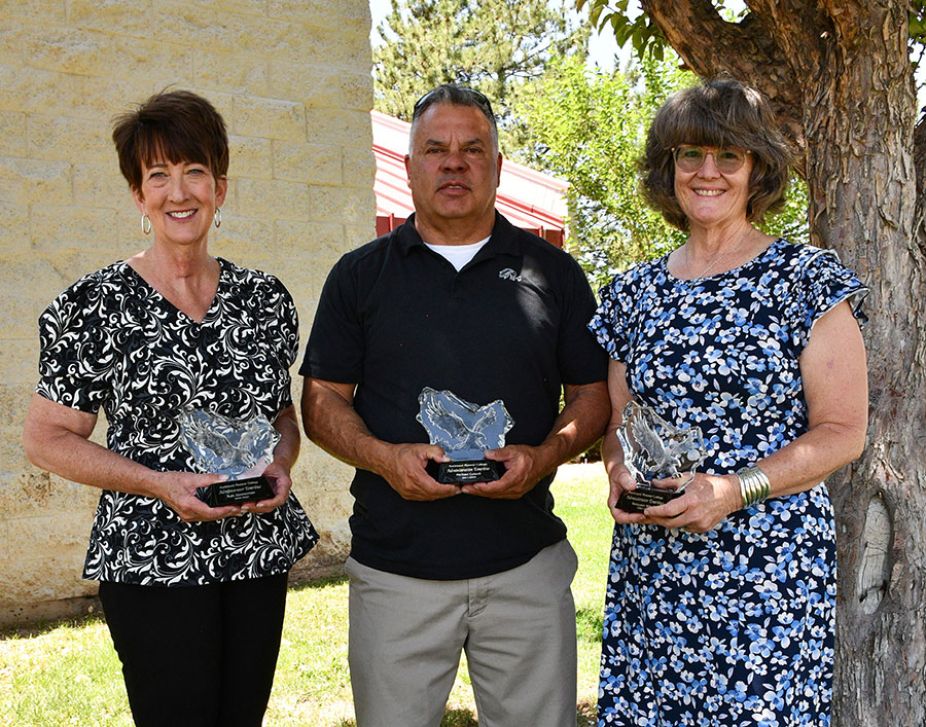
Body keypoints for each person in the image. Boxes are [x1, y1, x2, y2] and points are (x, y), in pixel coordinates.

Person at [301, 84, 610, 727]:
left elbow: (591, 395)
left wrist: (546, 455)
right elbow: (323, 400)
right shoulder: (359, 276)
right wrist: (385, 459)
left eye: (473, 149)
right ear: (410, 165)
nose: (454, 162)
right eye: (435, 149)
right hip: (396, 573)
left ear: (496, 166)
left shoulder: (554, 274)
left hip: (525, 567)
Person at [21, 90, 317, 727]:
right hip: (150, 560)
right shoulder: (92, 306)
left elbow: (282, 417)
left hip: (255, 552)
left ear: (221, 189)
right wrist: (158, 483)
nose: (177, 191)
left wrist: (281, 463)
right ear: (138, 195)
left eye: (194, 172)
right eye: (158, 175)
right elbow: (46, 437)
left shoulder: (264, 298)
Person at [588, 77, 869, 725]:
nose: (707, 171)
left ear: (757, 168)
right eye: (690, 154)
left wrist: (734, 489)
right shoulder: (632, 295)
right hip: (655, 578)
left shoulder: (804, 282)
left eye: (728, 156)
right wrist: (617, 472)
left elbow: (843, 432)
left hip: (767, 580)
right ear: (669, 167)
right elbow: (620, 424)